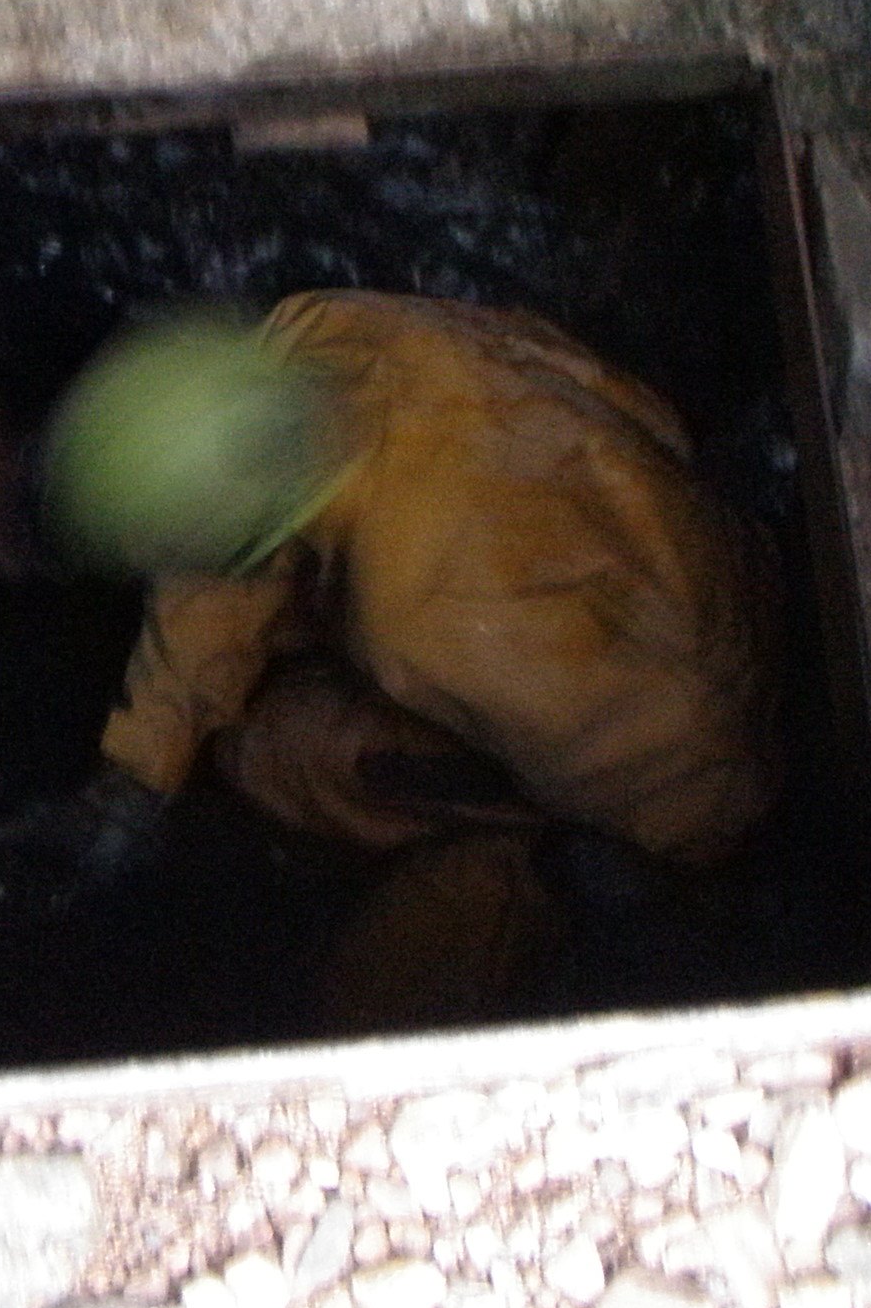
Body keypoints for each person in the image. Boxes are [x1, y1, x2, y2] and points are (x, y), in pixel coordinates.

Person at [38, 293, 773, 1024]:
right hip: (669, 511)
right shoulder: (316, 335)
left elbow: (676, 757)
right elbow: (225, 555)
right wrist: (142, 761)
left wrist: (655, 866)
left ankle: (528, 868)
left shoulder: (427, 617)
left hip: (699, 724)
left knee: (279, 765)